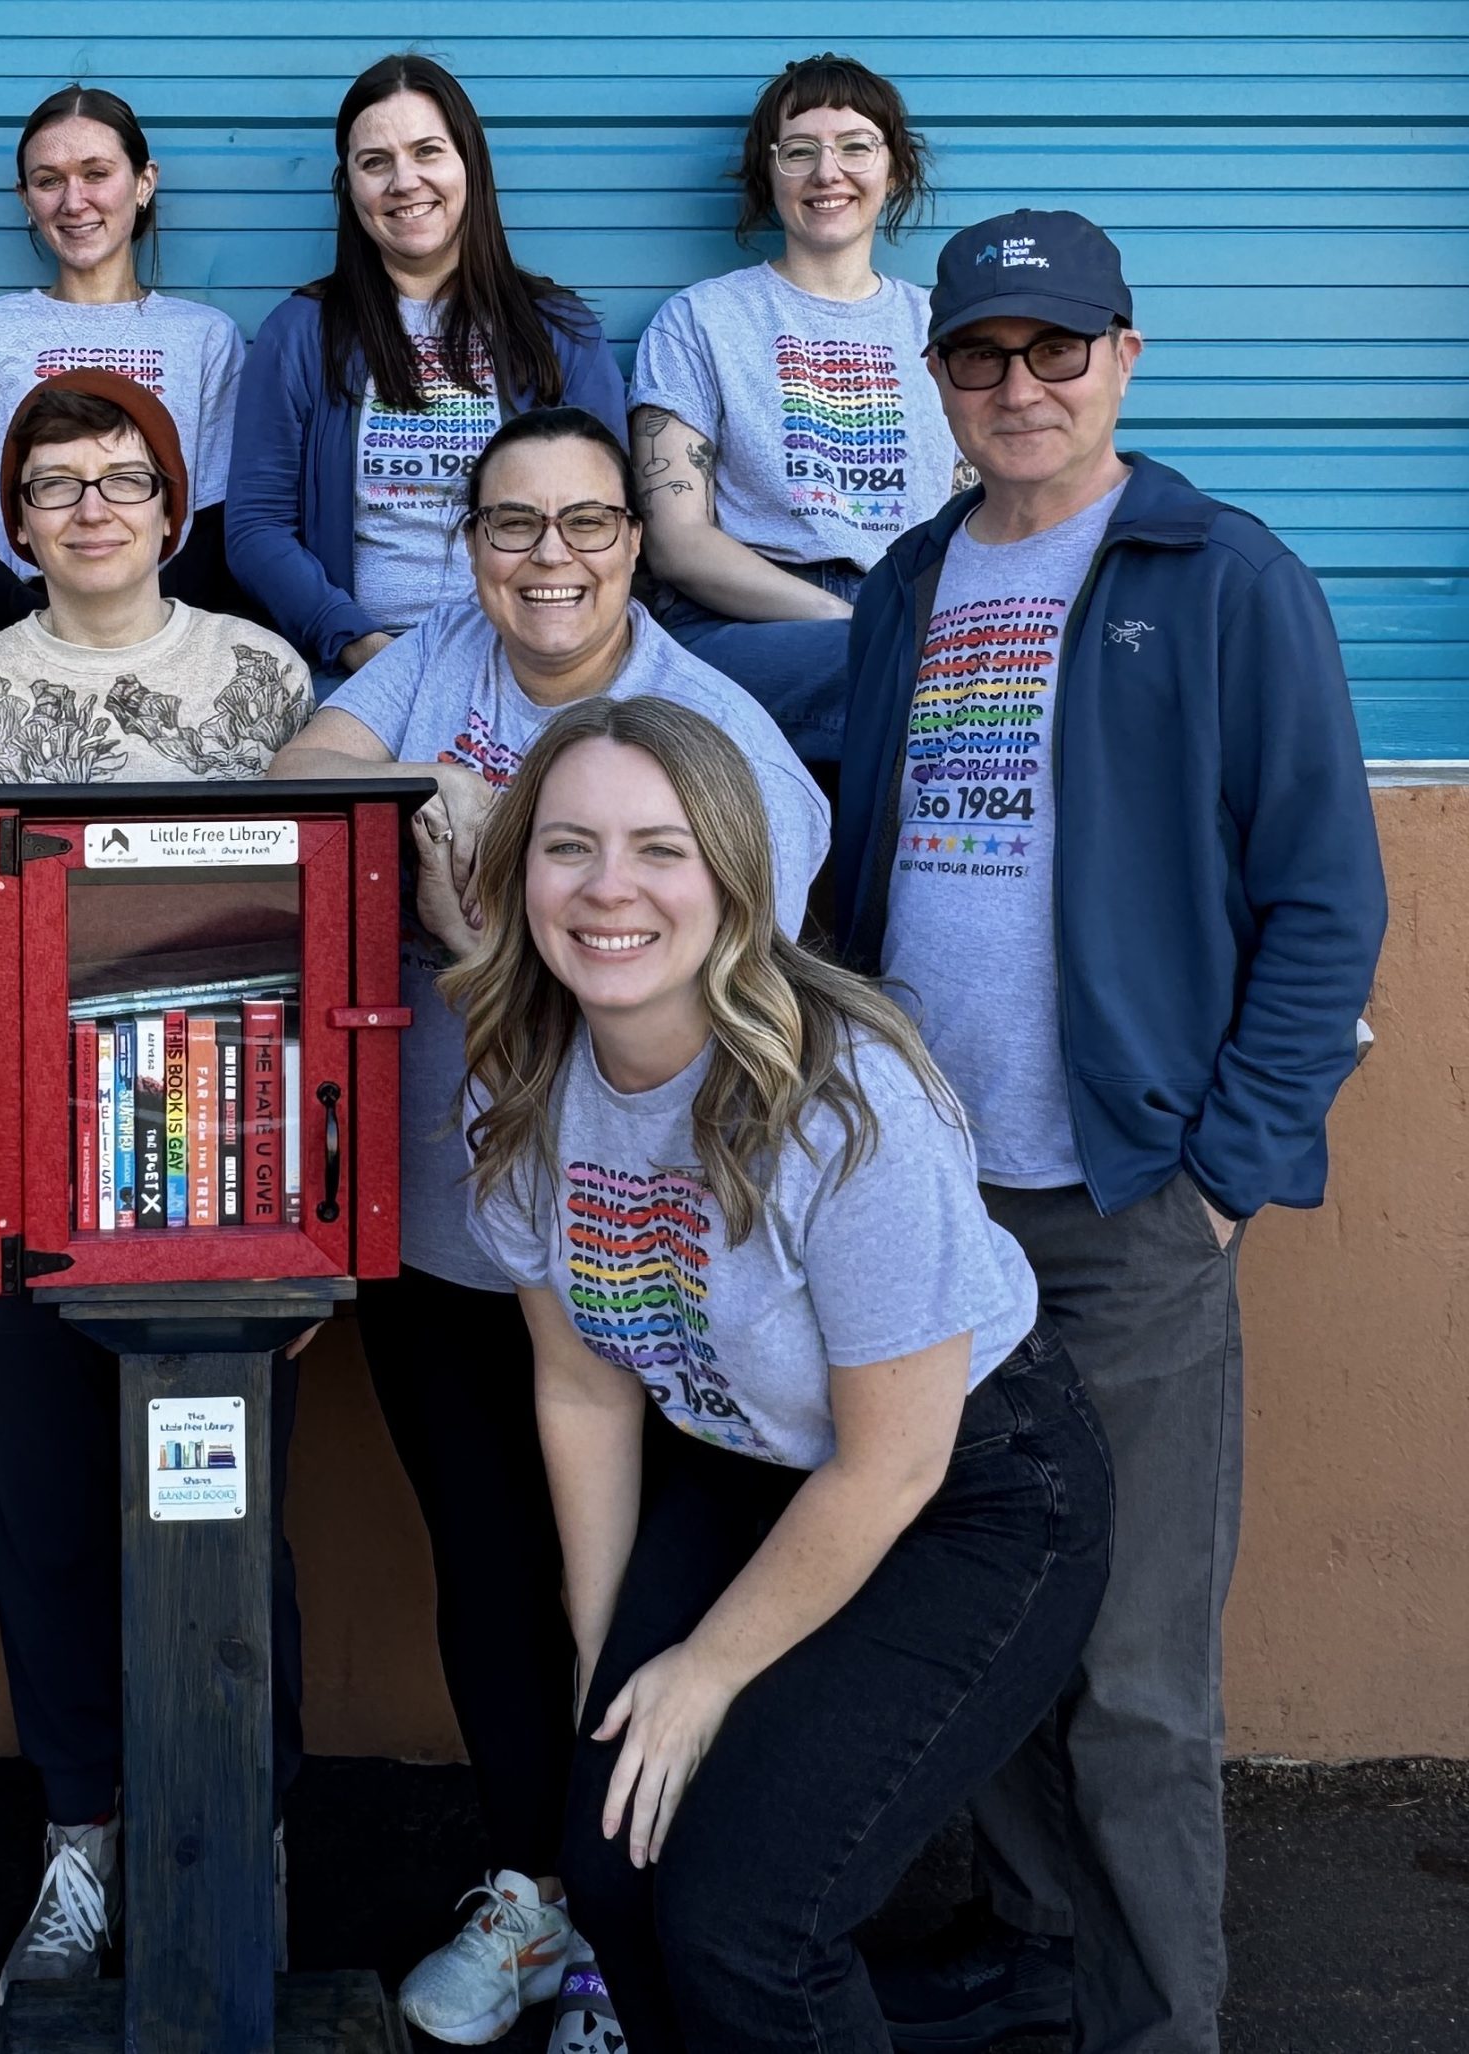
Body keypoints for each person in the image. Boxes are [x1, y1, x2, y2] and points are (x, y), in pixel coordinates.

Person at [834, 211, 1387, 2054]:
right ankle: (1039, 1961)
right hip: (936, 1206)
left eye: (1055, 350)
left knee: (1137, 1673)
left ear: (1126, 357)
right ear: (936, 381)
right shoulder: (913, 577)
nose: (1020, 386)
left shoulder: (1218, 573)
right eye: (982, 357)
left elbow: (1325, 896)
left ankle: (1162, 2022)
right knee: (982, 1628)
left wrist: (1231, 1165)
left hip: (1130, 1202)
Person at [266, 406, 828, 2047]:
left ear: (636, 545)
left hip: (647, 1254)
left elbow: (741, 1005)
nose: (550, 558)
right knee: (497, 1581)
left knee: (647, 1600)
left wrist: (477, 903)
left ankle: (636, 1930)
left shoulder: (713, 731)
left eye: (586, 524)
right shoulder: (439, 657)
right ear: (471, 543)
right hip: (452, 1234)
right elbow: (299, 773)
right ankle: (533, 1887)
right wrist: (425, 771)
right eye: (514, 526)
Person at [437, 691, 1110, 2052]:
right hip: (746, 1462)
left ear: (735, 874)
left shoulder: (844, 1097)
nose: (607, 887)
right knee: (613, 1864)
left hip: (969, 1493)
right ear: (519, 878)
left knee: (752, 1922)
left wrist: (705, 1670)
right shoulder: (519, 1085)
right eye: (567, 847)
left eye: (658, 847)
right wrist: (608, 1647)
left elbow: (894, 1460)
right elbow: (582, 1388)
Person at [0, 370, 313, 2002]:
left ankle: (245, 1832)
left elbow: (325, 943)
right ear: (14, 517)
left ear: (176, 505)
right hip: (2, 1160)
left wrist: (317, 1207)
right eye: (56, 483)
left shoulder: (265, 678)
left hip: (218, 1164)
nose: (93, 506)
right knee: (43, 1515)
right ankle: (85, 1840)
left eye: (125, 477)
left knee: (226, 1516)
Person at [229, 53, 628, 685]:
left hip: (537, 660)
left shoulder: (559, 331)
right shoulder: (299, 333)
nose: (404, 181)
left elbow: (608, 516)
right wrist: (357, 641)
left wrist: (549, 648)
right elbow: (257, 529)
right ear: (350, 187)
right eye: (375, 162)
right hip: (363, 666)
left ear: (469, 163)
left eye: (427, 152)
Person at [630, 53, 966, 767]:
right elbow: (676, 543)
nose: (827, 172)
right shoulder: (701, 321)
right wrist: (861, 623)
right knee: (936, 686)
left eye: (855, 147)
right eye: (799, 151)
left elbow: (979, 514)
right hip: (739, 626)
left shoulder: (946, 330)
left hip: (908, 613)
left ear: (895, 169)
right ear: (768, 174)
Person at [0, 82, 245, 635]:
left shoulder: (207, 339)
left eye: (96, 173)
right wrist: (52, 633)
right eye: (49, 181)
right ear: (25, 198)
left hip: (171, 630)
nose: (73, 201)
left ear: (144, 183)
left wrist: (138, 631)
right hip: (19, 630)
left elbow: (216, 528)